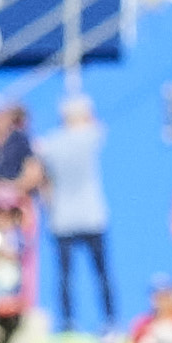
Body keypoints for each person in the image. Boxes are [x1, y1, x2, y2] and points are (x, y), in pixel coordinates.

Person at [36, 91, 113, 330]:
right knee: (101, 274)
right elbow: (98, 126)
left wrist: (49, 208)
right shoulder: (90, 135)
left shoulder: (48, 143)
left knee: (66, 277)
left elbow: (42, 180)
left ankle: (68, 322)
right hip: (92, 217)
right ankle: (109, 320)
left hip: (62, 219)